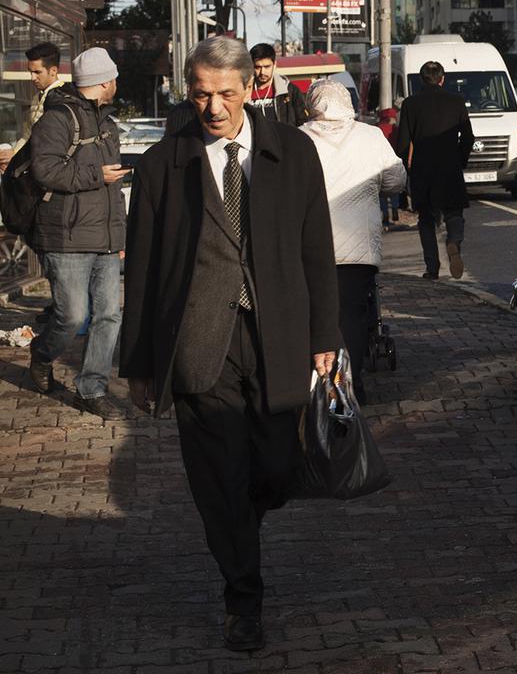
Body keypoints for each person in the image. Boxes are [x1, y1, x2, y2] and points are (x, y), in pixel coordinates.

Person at [120, 36, 339, 653]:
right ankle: (244, 599)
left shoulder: (292, 152)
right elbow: (141, 268)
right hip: (197, 343)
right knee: (220, 480)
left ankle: (249, 509)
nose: (212, 108)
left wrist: (326, 335)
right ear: (186, 93)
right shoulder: (165, 163)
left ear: (251, 89)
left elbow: (316, 249)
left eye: (225, 94)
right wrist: (139, 361)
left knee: (272, 468)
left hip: (278, 336)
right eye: (199, 96)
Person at [25, 47, 129, 415]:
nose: (116, 83)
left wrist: (120, 238)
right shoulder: (56, 120)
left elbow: (113, 191)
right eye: (114, 77)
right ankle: (41, 354)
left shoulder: (108, 124)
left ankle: (91, 389)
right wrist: (95, 175)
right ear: (104, 81)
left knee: (108, 316)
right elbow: (45, 171)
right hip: (65, 237)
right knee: (71, 316)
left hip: (103, 239)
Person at [300, 79, 406, 401]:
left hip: (309, 247)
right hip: (358, 248)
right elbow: (396, 179)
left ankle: (317, 379)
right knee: (353, 314)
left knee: (313, 312)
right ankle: (350, 380)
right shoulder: (371, 136)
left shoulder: (298, 138)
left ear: (312, 105)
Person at [395, 60, 474, 280]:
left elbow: (402, 144)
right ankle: (453, 243)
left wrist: (408, 169)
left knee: (427, 220)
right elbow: (468, 138)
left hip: (423, 171)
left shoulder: (410, 104)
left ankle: (432, 268)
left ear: (421, 79)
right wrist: (459, 160)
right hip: (450, 169)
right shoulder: (456, 102)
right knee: (454, 214)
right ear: (442, 79)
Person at [2, 42, 67, 173]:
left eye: (37, 72)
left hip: (53, 171)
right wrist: (12, 156)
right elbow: (29, 134)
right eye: (30, 72)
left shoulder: (64, 98)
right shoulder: (36, 97)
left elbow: (50, 142)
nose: (32, 78)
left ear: (53, 70)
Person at [246, 43, 307, 126]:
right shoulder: (244, 91)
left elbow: (303, 122)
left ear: (274, 65)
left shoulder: (290, 91)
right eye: (257, 67)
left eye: (267, 67)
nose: (262, 72)